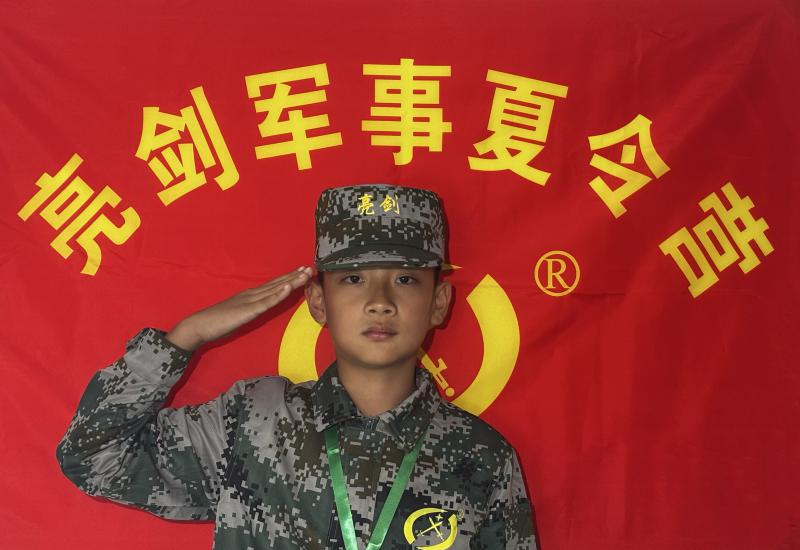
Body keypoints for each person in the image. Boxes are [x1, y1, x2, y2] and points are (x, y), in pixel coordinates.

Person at [57, 183, 537, 549]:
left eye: (406, 279)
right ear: (318, 302)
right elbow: (93, 457)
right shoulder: (252, 421)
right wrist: (186, 337)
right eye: (353, 278)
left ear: (439, 303)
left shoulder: (481, 456)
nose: (380, 301)